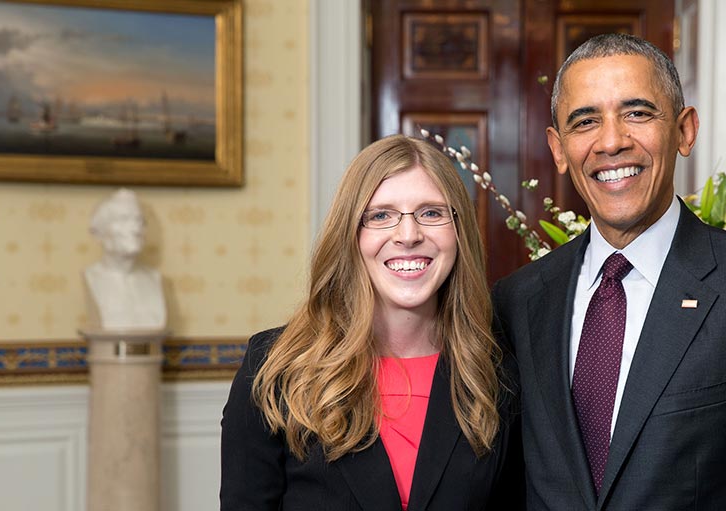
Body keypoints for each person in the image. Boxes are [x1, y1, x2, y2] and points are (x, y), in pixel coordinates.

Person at [491, 34, 726, 509]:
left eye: (637, 113)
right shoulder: (518, 301)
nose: (612, 141)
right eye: (585, 122)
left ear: (684, 131)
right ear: (558, 149)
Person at [221, 135, 519, 510]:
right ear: (351, 235)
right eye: (381, 215)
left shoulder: (499, 372)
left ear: (459, 233)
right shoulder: (274, 368)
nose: (408, 235)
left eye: (431, 213)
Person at [83, 188, 166, 331]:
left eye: (139, 221)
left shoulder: (154, 278)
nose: (135, 229)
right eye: (123, 220)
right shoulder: (91, 277)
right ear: (99, 233)